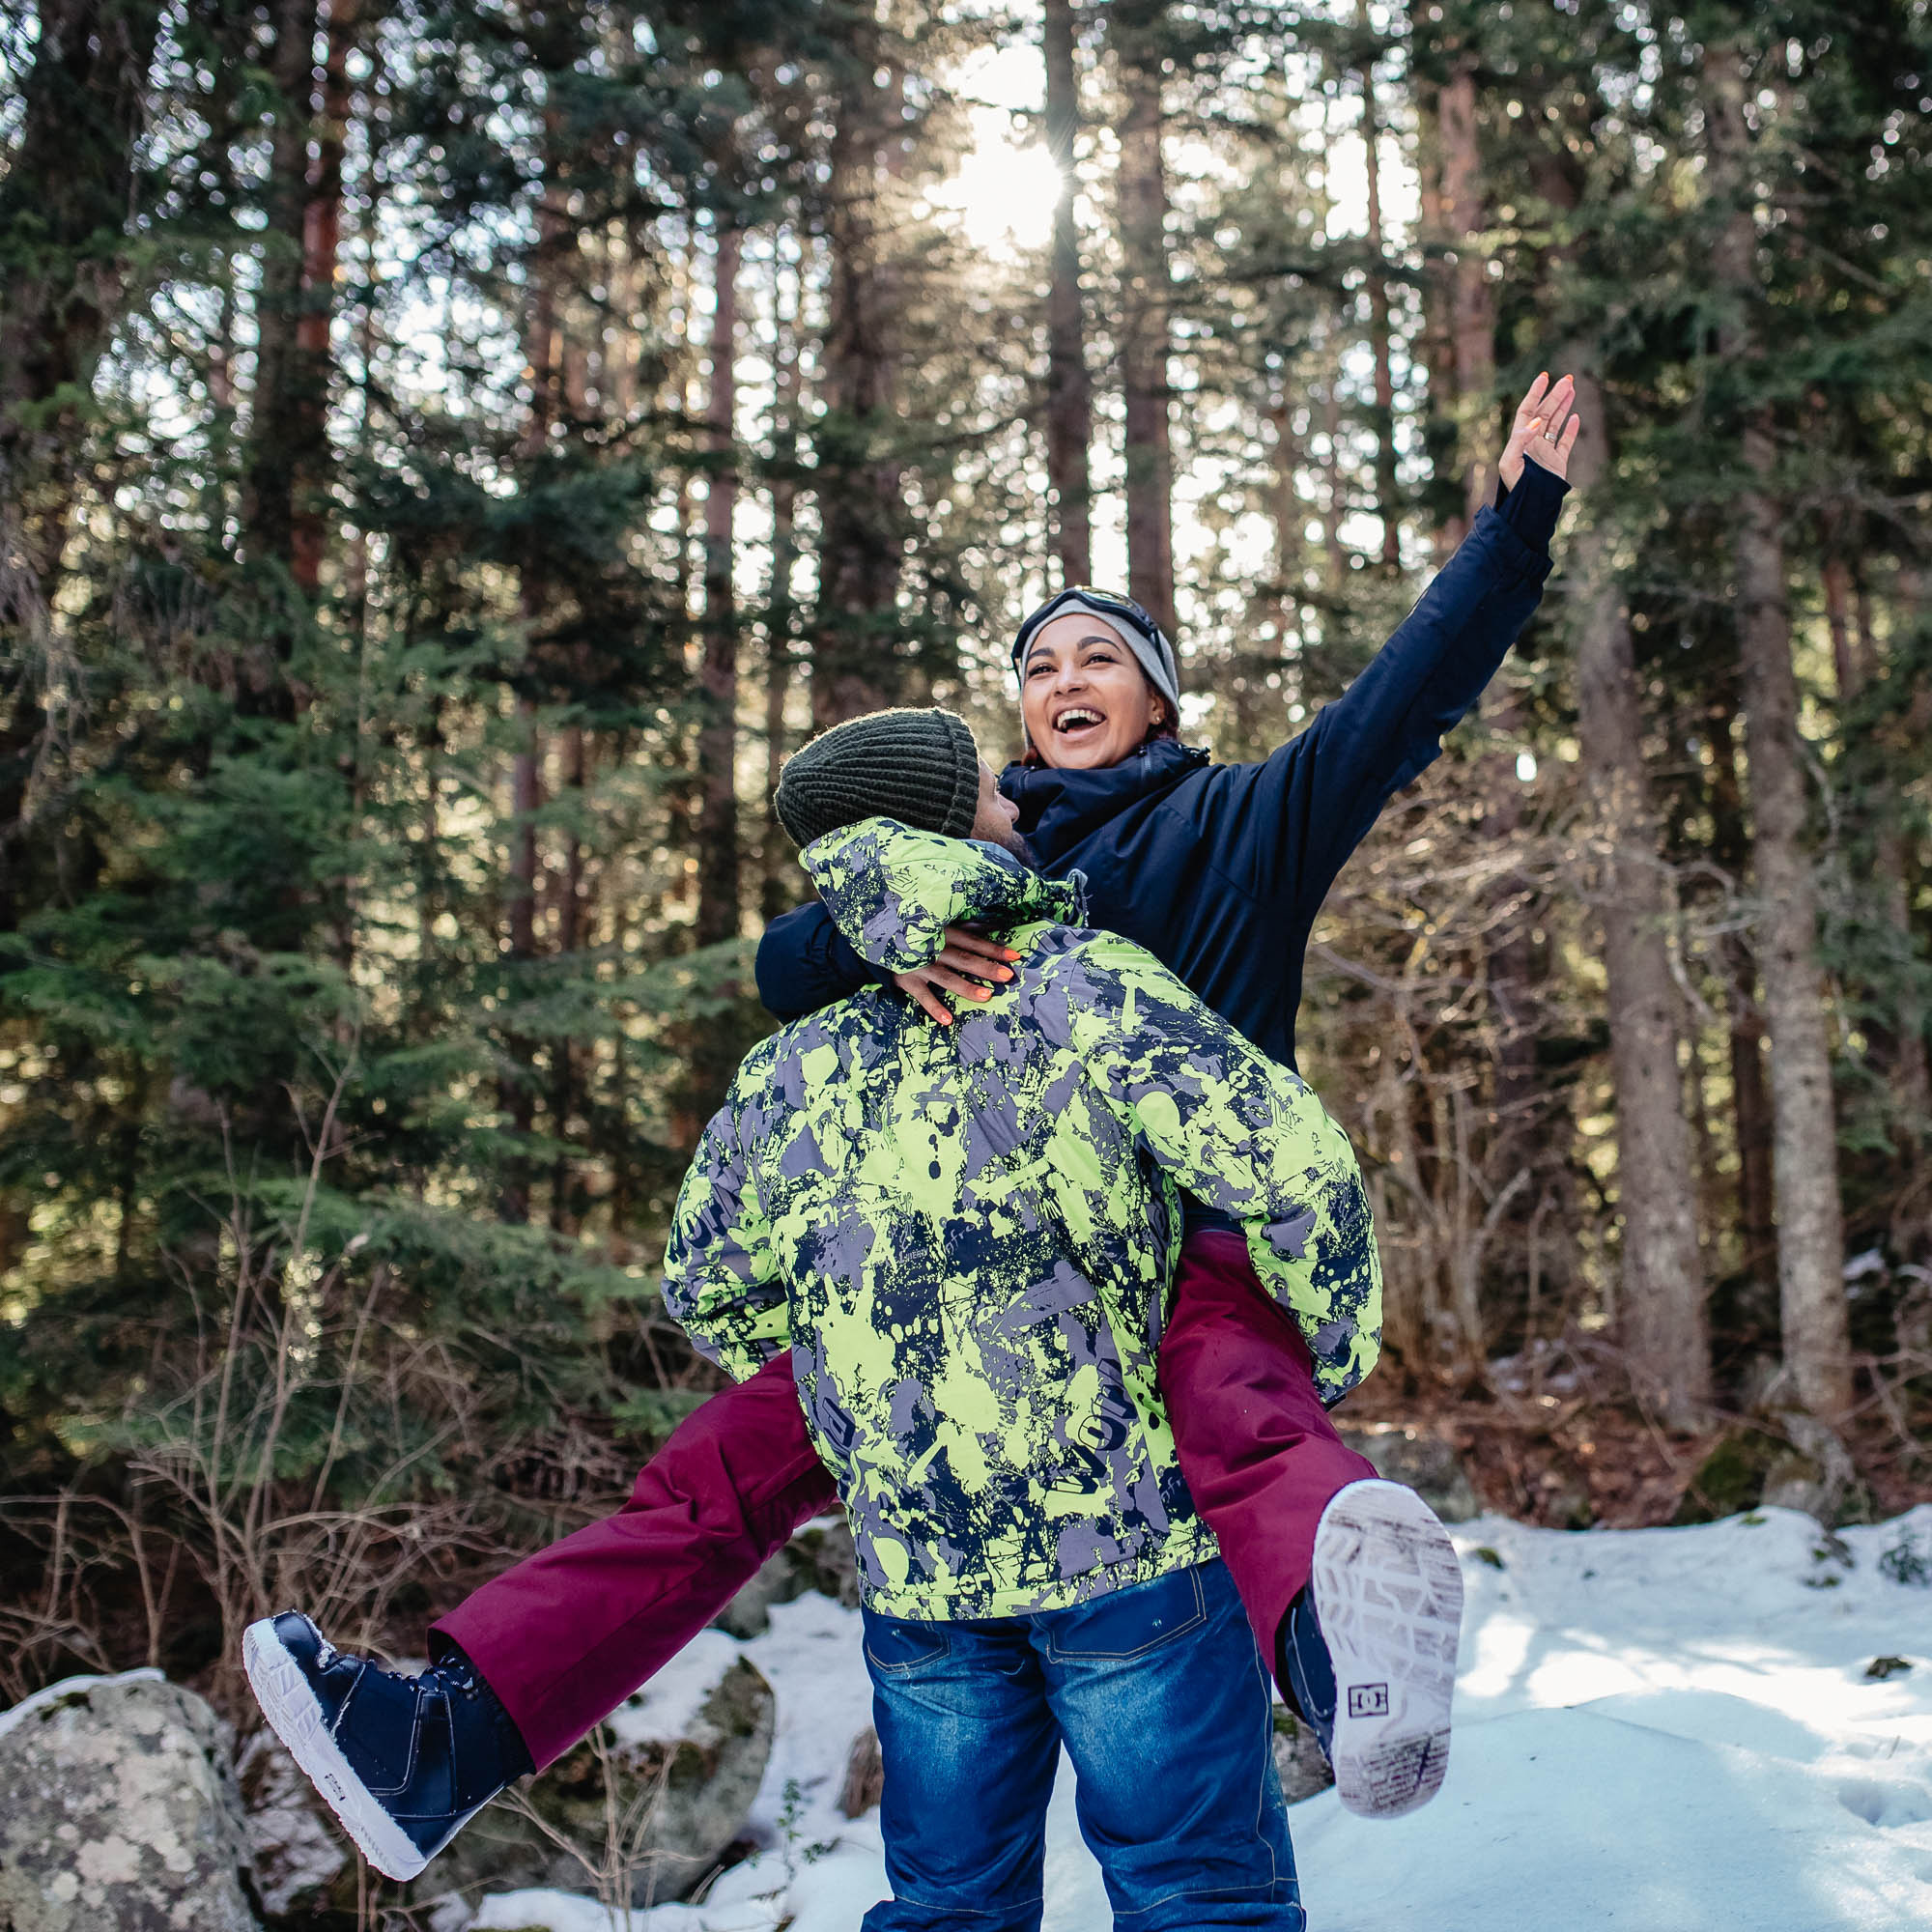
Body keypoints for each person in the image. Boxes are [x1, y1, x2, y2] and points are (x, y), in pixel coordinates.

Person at [242, 374, 1577, 1877]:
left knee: (1241, 1402)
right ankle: (449, 1733)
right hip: (949, 1293)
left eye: (1099, 656)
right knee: (712, 1477)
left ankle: (1344, 1668)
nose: (1062, 677)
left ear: (1156, 699)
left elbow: (1410, 692)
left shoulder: (1237, 827)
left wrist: (1517, 521)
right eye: (1038, 662)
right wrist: (861, 941)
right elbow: (779, 962)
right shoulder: (942, 869)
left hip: (1171, 1245)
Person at [662, 726, 1406, 1929]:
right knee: (1197, 1897)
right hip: (1128, 1544)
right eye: (986, 779)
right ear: (950, 813)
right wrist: (1323, 1347)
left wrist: (864, 1392)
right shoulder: (1075, 978)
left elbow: (705, 1283)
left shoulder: (788, 1061)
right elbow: (1292, 1163)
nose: (1016, 791)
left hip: (920, 1567)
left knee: (950, 1907)